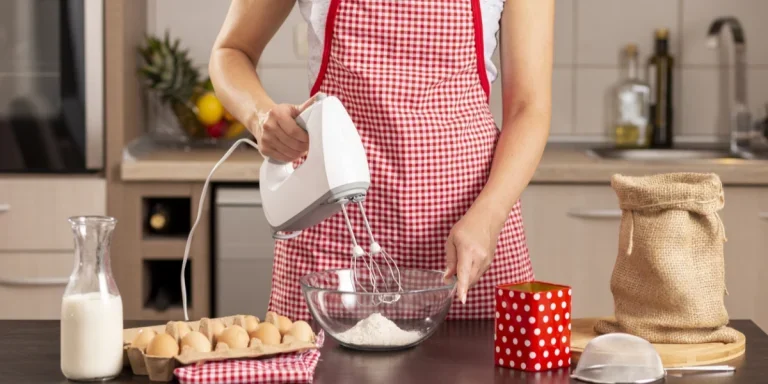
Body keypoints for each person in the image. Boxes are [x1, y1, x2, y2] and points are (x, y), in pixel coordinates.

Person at [209, 0, 554, 320]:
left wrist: (488, 217)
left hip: (471, 228)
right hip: (332, 221)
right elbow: (231, 51)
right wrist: (259, 115)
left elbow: (529, 107)